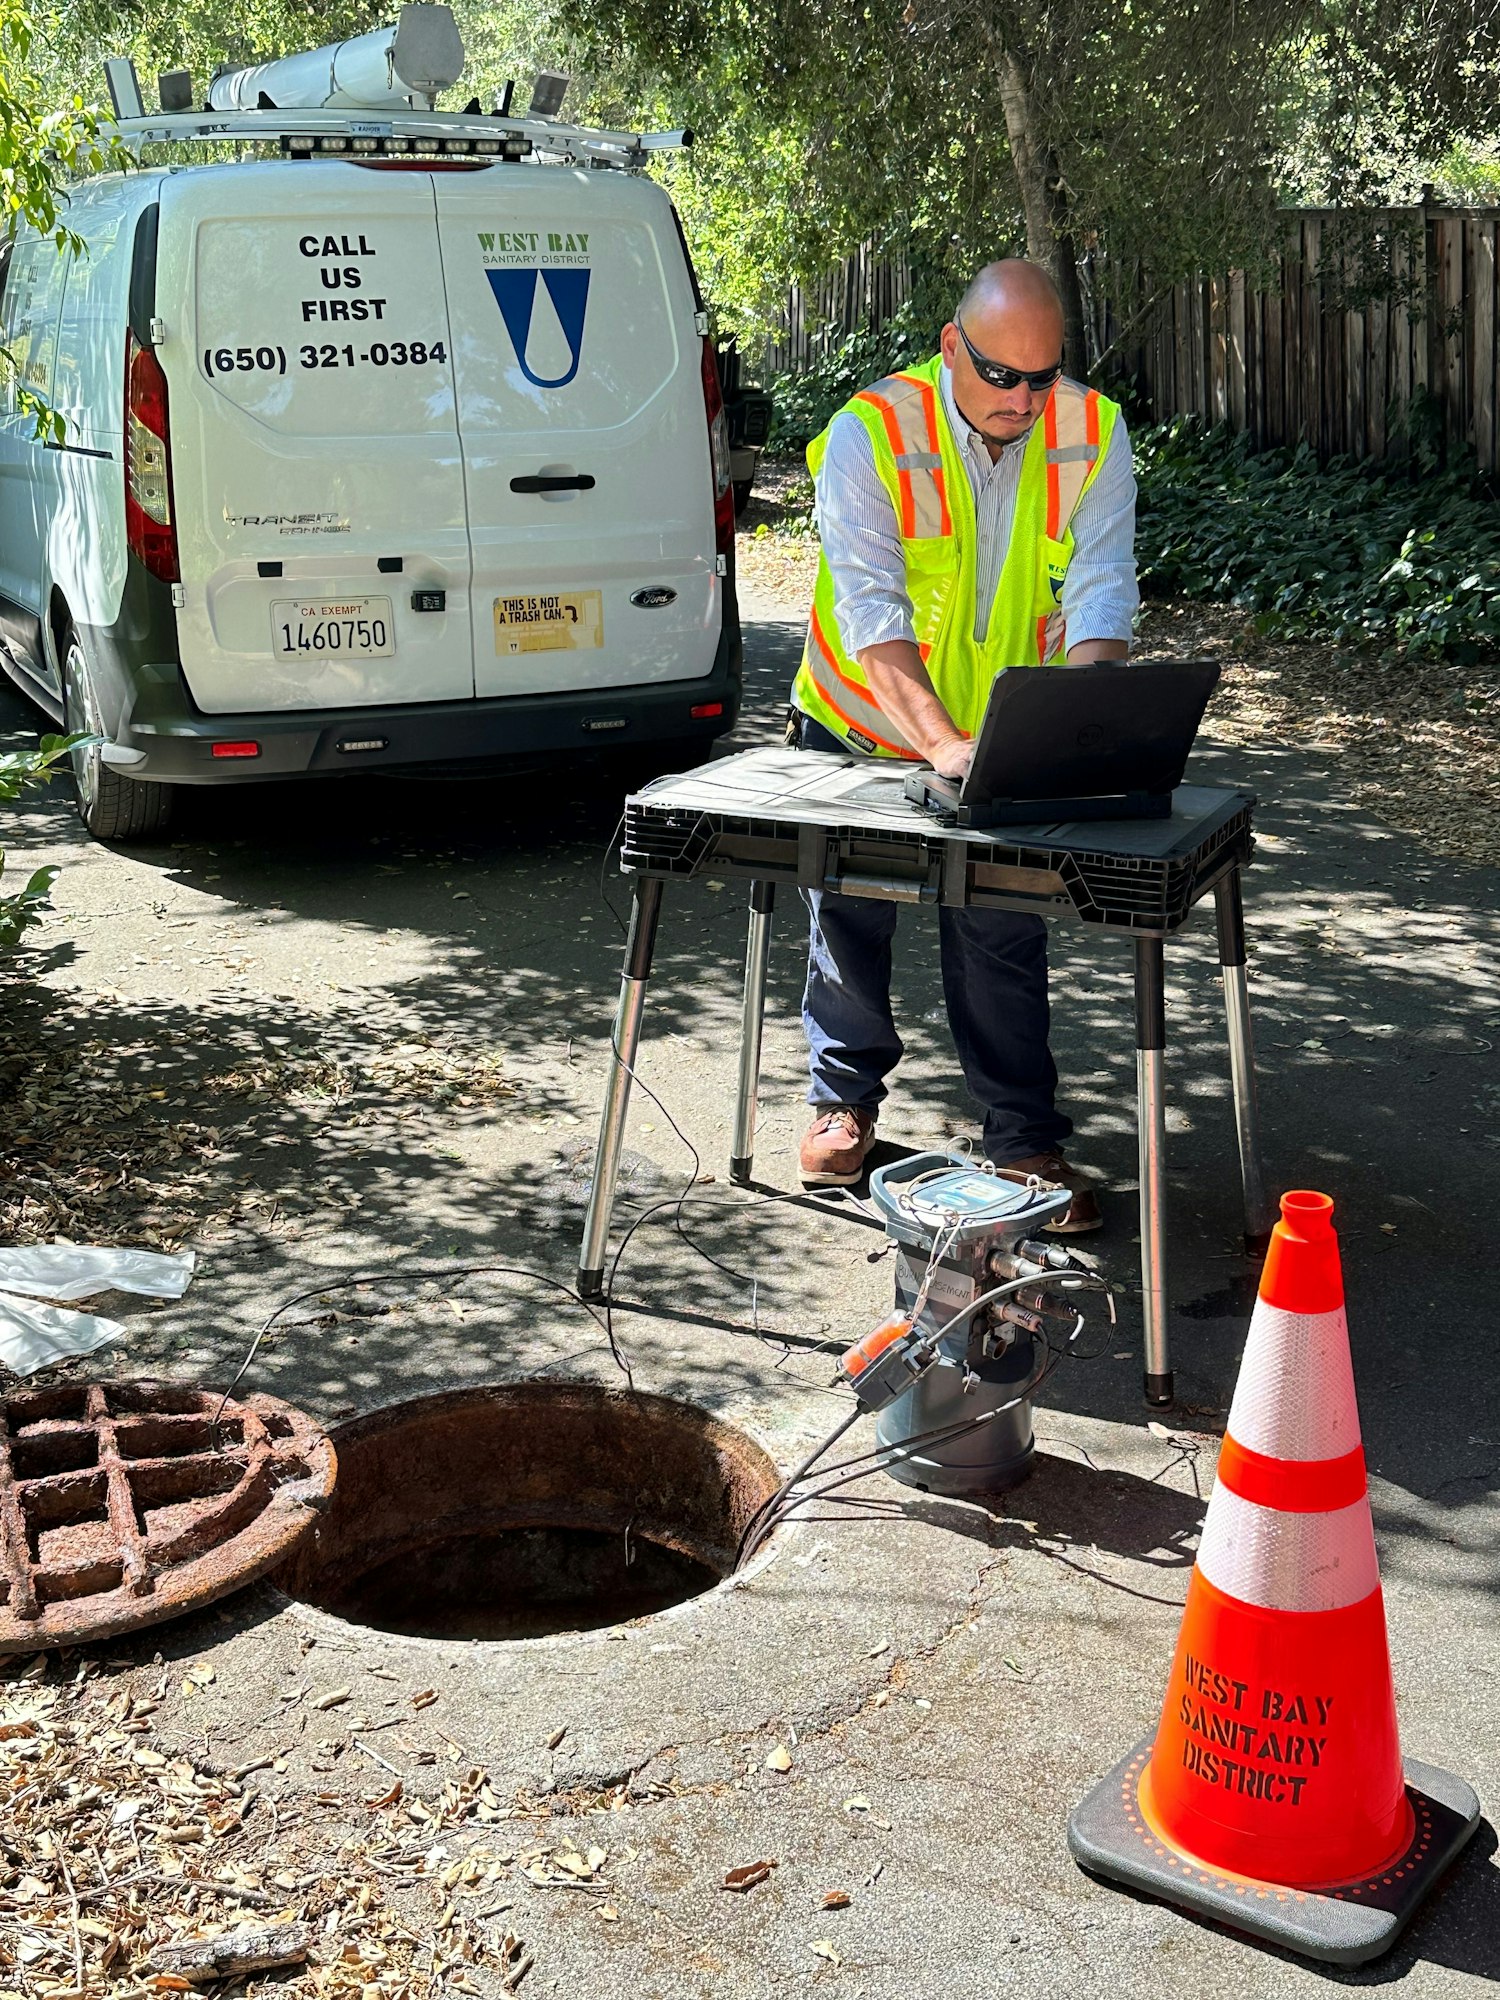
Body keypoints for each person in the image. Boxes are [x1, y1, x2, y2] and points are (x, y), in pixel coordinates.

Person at [787, 258, 1139, 1230]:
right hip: (864, 719)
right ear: (953, 348)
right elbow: (870, 610)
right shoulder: (873, 432)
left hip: (1004, 736)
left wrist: (1082, 718)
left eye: (1043, 377)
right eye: (1002, 377)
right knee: (849, 914)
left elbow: (1103, 591)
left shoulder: (1093, 431)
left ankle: (1022, 1136)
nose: (1026, 401)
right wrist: (940, 742)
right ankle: (842, 1098)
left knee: (1002, 925)